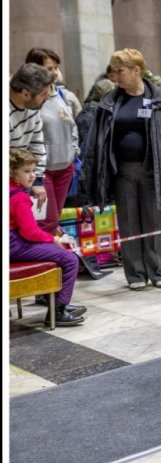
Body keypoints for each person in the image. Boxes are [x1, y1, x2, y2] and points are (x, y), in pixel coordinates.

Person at [80, 48, 161, 291]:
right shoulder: (110, 101)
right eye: (113, 70)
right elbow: (95, 144)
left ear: (136, 71)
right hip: (123, 171)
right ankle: (135, 274)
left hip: (153, 170)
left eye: (120, 70)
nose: (115, 75)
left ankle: (158, 271)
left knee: (153, 221)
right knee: (128, 223)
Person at [10, 148, 86, 326]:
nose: (31, 176)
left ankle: (57, 302)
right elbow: (29, 232)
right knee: (69, 259)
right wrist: (54, 239)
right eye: (26, 171)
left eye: (33, 171)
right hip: (13, 244)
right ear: (13, 172)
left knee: (55, 256)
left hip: (12, 242)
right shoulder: (19, 197)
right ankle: (58, 310)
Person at [24, 48, 81, 235]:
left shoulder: (61, 94)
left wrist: (73, 152)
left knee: (55, 218)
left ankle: (51, 259)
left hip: (65, 167)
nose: (55, 73)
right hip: (43, 169)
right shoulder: (30, 99)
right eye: (49, 68)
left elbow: (72, 126)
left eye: (56, 68)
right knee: (47, 220)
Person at [9, 62, 52, 213]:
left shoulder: (32, 107)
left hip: (21, 176)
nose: (48, 98)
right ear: (25, 93)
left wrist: (37, 179)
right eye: (43, 95)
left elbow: (37, 144)